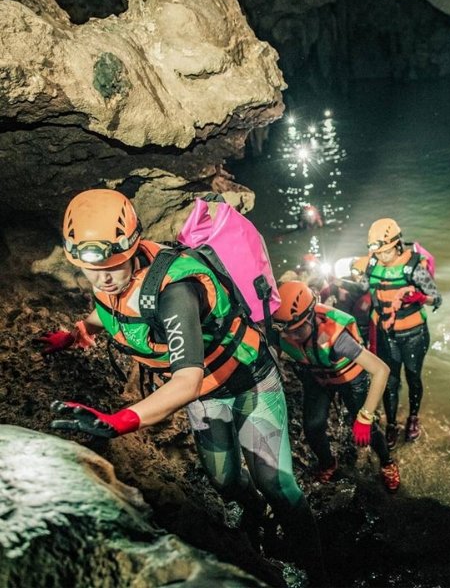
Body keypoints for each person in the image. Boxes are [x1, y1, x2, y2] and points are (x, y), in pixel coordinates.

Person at [42, 189, 328, 585]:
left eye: (114, 263)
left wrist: (120, 421)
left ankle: (315, 566)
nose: (104, 275)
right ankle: (256, 521)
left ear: (133, 245)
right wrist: (76, 332)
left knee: (276, 483)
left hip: (248, 380)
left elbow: (186, 379)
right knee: (223, 480)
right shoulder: (110, 281)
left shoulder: (175, 290)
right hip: (206, 394)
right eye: (93, 268)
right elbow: (114, 309)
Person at [273, 281, 400, 492]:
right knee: (312, 426)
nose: (291, 337)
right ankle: (327, 462)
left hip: (351, 379)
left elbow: (381, 370)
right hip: (319, 376)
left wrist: (365, 416)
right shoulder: (283, 328)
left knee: (368, 428)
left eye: (296, 331)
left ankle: (387, 462)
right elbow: (274, 350)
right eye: (286, 332)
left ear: (311, 317)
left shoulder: (336, 336)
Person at [361, 218, 441, 449]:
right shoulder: (372, 264)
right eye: (379, 252)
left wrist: (421, 298)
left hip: (414, 334)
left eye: (387, 252)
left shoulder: (415, 268)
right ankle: (392, 424)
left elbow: (437, 298)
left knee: (413, 377)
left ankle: (413, 417)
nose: (382, 257)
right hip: (386, 334)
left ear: (397, 245)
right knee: (389, 381)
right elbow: (365, 289)